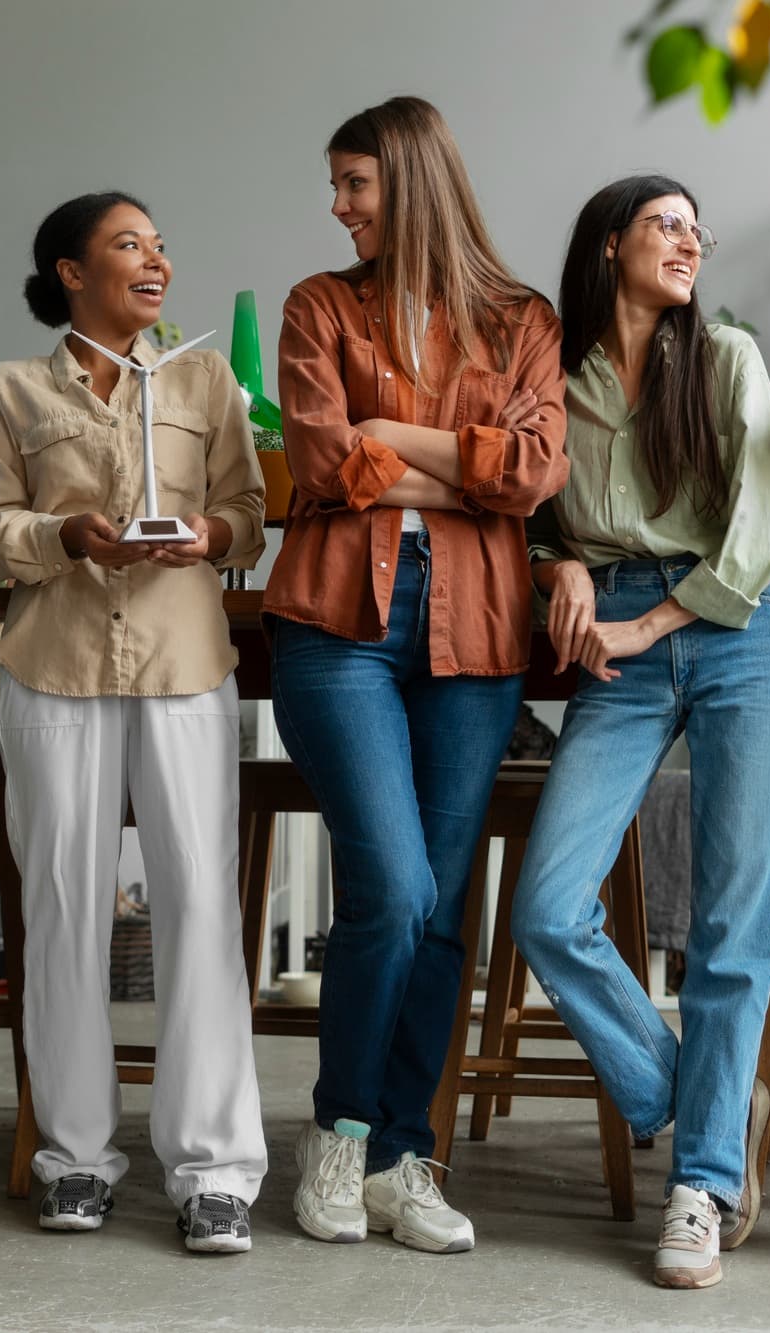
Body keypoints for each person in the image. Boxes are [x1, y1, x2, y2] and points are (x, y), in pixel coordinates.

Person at [265, 95, 569, 1255]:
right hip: (339, 629)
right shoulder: (317, 306)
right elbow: (320, 458)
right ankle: (336, 1132)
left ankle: (402, 1153)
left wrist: (393, 441)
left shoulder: (520, 319)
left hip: (477, 637)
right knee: (389, 889)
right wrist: (462, 469)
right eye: (334, 188)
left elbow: (534, 473)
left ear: (410, 182)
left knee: (442, 909)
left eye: (354, 184)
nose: (336, 208)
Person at [508, 175, 770, 1289]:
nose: (685, 242)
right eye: (662, 225)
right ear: (609, 243)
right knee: (545, 906)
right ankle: (695, 1106)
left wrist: (652, 626)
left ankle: (701, 1183)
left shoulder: (723, 355)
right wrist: (561, 563)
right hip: (613, 638)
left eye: (693, 229)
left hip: (730, 629)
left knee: (730, 920)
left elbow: (764, 526)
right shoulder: (555, 373)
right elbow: (527, 506)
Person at [0, 192, 269, 1253]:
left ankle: (214, 1170)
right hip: (53, 669)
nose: (155, 260)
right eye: (127, 245)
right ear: (68, 272)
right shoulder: (8, 390)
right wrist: (68, 535)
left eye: (159, 245)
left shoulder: (205, 380)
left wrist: (206, 532)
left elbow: (250, 513)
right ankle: (74, 1159)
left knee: (198, 906)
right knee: (59, 909)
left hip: (184, 666)